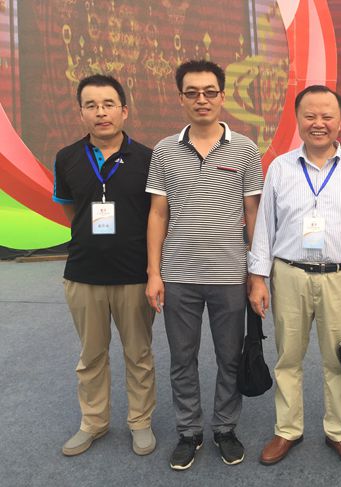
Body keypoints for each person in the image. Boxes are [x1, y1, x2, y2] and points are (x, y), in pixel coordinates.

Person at [248, 85, 341, 470]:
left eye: (327, 116)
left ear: (340, 121)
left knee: (338, 358)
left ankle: (339, 430)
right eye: (310, 116)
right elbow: (265, 227)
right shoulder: (280, 167)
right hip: (289, 274)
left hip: (340, 277)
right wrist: (258, 277)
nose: (318, 123)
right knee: (288, 356)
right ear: (298, 119)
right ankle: (287, 429)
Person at [145, 59, 263, 470]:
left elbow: (253, 214)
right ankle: (189, 431)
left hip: (230, 274)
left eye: (210, 92)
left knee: (230, 357)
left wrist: (256, 274)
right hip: (178, 275)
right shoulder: (164, 150)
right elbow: (158, 213)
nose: (202, 100)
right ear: (180, 98)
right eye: (192, 92)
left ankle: (225, 428)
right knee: (182, 358)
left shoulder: (245, 149)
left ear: (222, 96)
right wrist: (154, 273)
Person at [52, 74, 157, 457]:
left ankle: (140, 422)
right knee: (91, 355)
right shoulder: (66, 158)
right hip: (84, 274)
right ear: (81, 112)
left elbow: (157, 216)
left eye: (108, 104)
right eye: (91, 105)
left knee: (139, 355)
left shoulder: (148, 158)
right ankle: (93, 422)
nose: (101, 112)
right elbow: (71, 210)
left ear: (124, 110)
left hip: (134, 275)